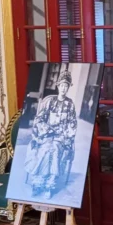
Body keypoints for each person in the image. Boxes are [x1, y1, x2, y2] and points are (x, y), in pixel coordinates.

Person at [25, 68, 78, 197]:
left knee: (54, 150)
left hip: (61, 137)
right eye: (62, 85)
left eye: (66, 86)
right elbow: (39, 119)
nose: (64, 88)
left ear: (68, 88)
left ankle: (49, 184)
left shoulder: (70, 104)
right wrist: (47, 130)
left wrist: (66, 137)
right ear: (58, 86)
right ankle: (38, 183)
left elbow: (72, 123)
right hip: (46, 134)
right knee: (45, 150)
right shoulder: (50, 102)